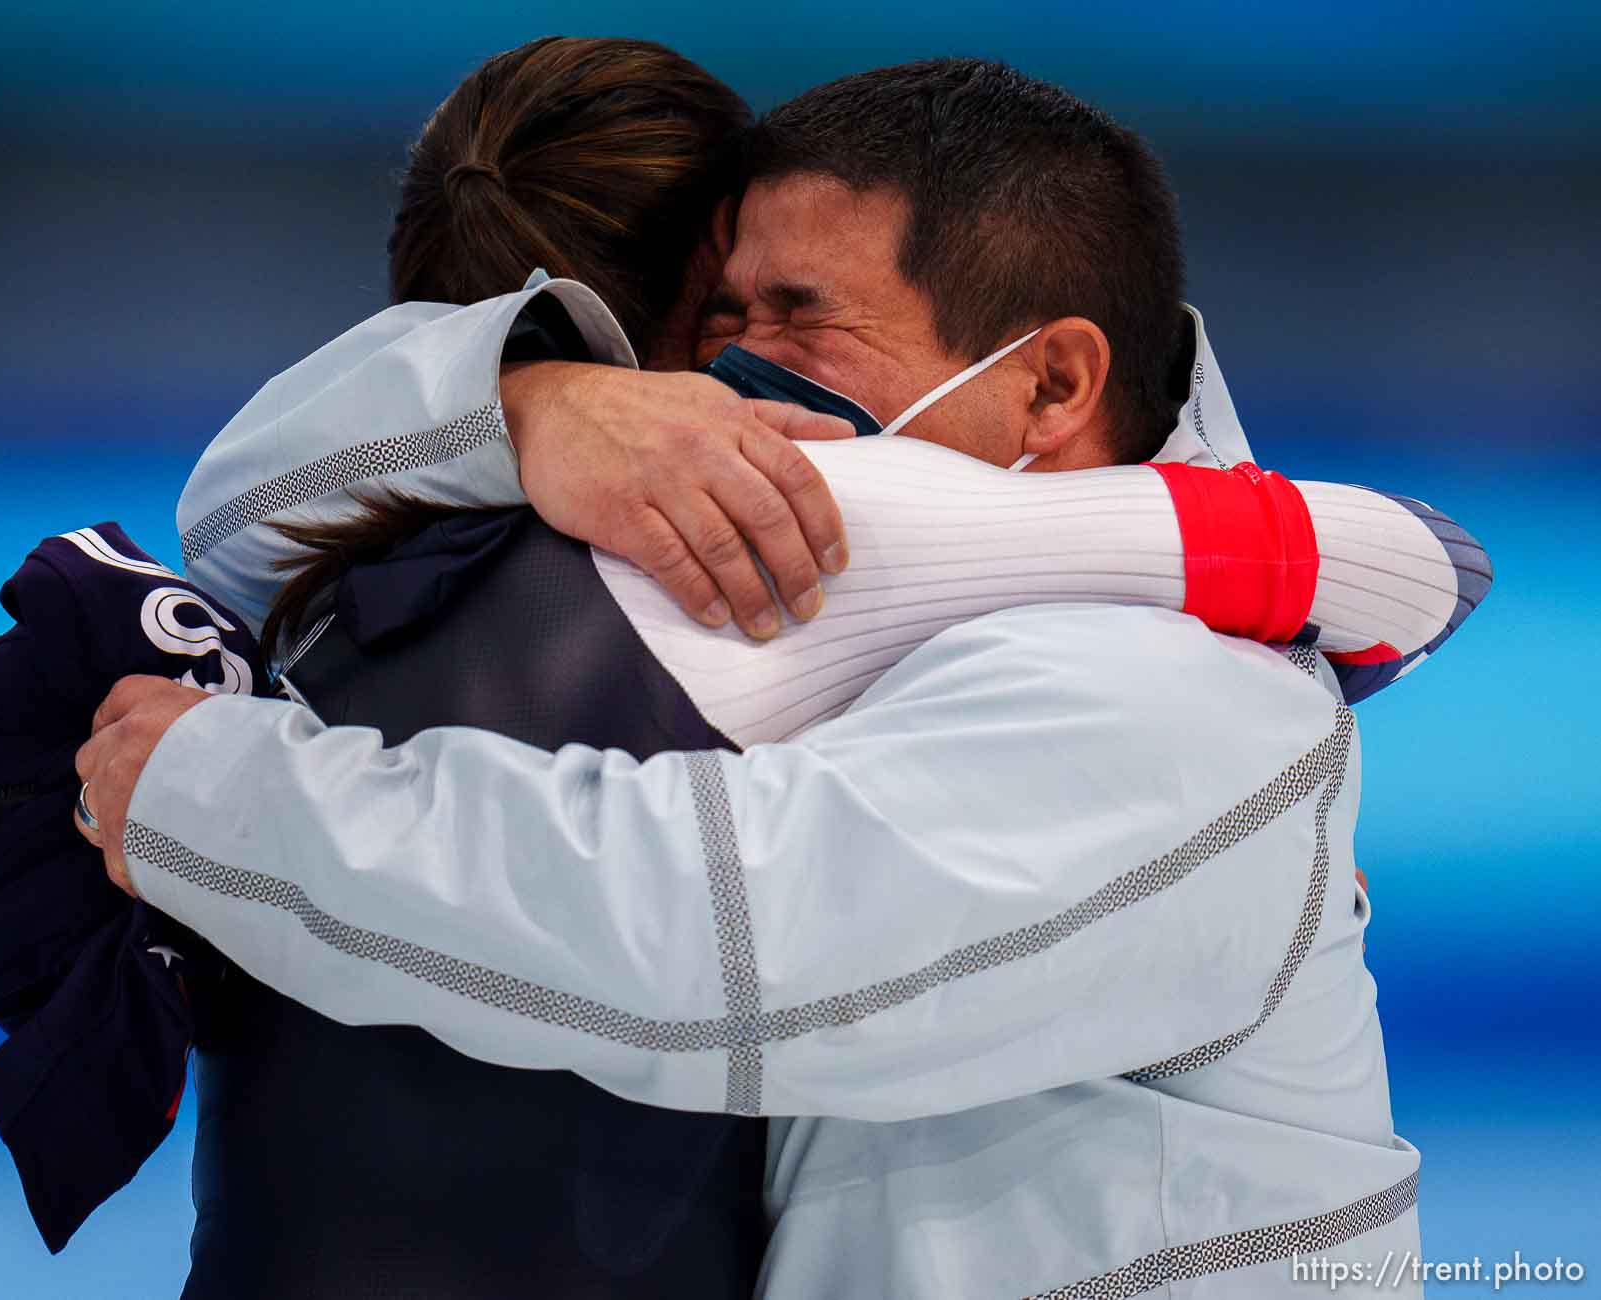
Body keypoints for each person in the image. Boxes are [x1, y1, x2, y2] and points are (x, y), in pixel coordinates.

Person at [80, 55, 1489, 1297]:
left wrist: (210, 798)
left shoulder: (1183, 702)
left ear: (1051, 386)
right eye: (715, 326)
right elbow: (247, 511)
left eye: (801, 322)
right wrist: (530, 401)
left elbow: (719, 951)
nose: (731, 382)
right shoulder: (848, 613)